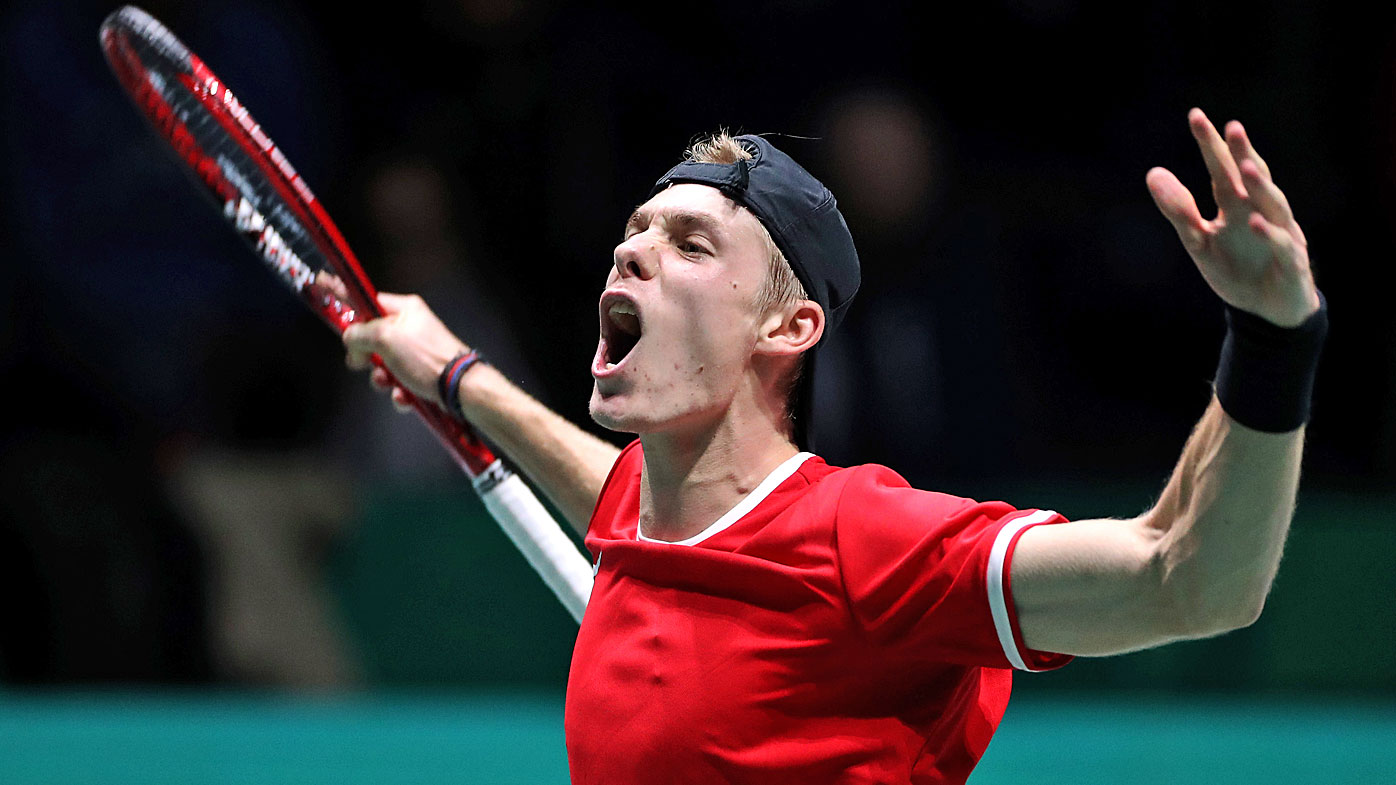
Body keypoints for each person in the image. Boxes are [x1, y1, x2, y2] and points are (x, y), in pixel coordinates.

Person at [341, 109, 1326, 784]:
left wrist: (1272, 335)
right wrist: (457, 377)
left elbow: (1188, 580)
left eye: (689, 243)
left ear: (787, 329)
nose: (631, 248)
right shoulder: (659, 519)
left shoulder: (863, 539)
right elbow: (611, 487)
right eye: (635, 229)